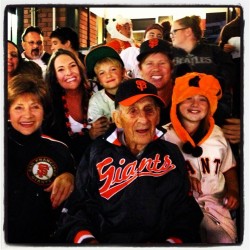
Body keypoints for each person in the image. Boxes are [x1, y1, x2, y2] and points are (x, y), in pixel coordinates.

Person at [55, 78, 203, 244]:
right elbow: (77, 209)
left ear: (158, 116)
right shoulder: (96, 153)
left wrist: (170, 243)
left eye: (149, 110)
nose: (143, 119)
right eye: (133, 111)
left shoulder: (171, 153)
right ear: (117, 119)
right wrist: (89, 242)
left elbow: (186, 211)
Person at [163, 72, 239, 243]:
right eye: (188, 98)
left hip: (216, 204)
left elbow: (229, 168)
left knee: (224, 240)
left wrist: (233, 191)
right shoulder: (162, 136)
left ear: (211, 104)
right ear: (177, 101)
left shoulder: (219, 134)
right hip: (178, 206)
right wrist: (181, 179)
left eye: (203, 99)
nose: (195, 104)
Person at [5, 74, 75, 243]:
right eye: (19, 108)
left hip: (46, 239)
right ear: (7, 112)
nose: (28, 115)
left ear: (44, 111)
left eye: (35, 107)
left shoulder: (59, 149)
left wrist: (71, 177)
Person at [43, 49, 109, 164]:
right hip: (71, 166)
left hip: (106, 161)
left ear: (79, 68)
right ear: (55, 76)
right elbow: (57, 147)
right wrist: (90, 135)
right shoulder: (50, 103)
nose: (69, 72)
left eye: (72, 66)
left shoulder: (98, 89)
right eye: (61, 69)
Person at [170, 15, 237, 126]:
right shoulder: (169, 53)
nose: (171, 36)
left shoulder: (214, 51)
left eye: (174, 31)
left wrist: (208, 87)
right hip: (178, 110)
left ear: (188, 31)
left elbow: (229, 75)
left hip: (214, 111)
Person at [137, 38, 174, 125]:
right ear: (140, 69)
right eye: (149, 63)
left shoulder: (185, 95)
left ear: (171, 68)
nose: (156, 69)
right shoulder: (133, 99)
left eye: (162, 63)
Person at [85, 45, 125, 123]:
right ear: (98, 80)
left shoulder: (133, 92)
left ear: (123, 72)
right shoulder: (96, 100)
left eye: (113, 69)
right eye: (102, 73)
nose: (108, 75)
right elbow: (97, 128)